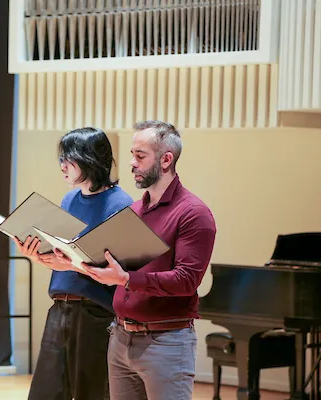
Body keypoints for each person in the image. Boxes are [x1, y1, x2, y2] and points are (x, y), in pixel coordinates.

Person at [85, 120, 217, 400]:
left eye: (140, 156)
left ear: (166, 159)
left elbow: (186, 281)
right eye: (132, 154)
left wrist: (126, 279)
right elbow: (114, 265)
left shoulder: (193, 213)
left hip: (166, 343)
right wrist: (67, 260)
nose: (132, 163)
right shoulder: (134, 210)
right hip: (121, 337)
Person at [17, 127, 133, 400]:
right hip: (60, 308)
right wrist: (38, 255)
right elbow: (64, 259)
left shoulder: (120, 204)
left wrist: (70, 265)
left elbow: (118, 270)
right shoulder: (69, 199)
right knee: (46, 392)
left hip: (95, 313)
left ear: (89, 159)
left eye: (69, 158)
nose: (62, 166)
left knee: (89, 392)